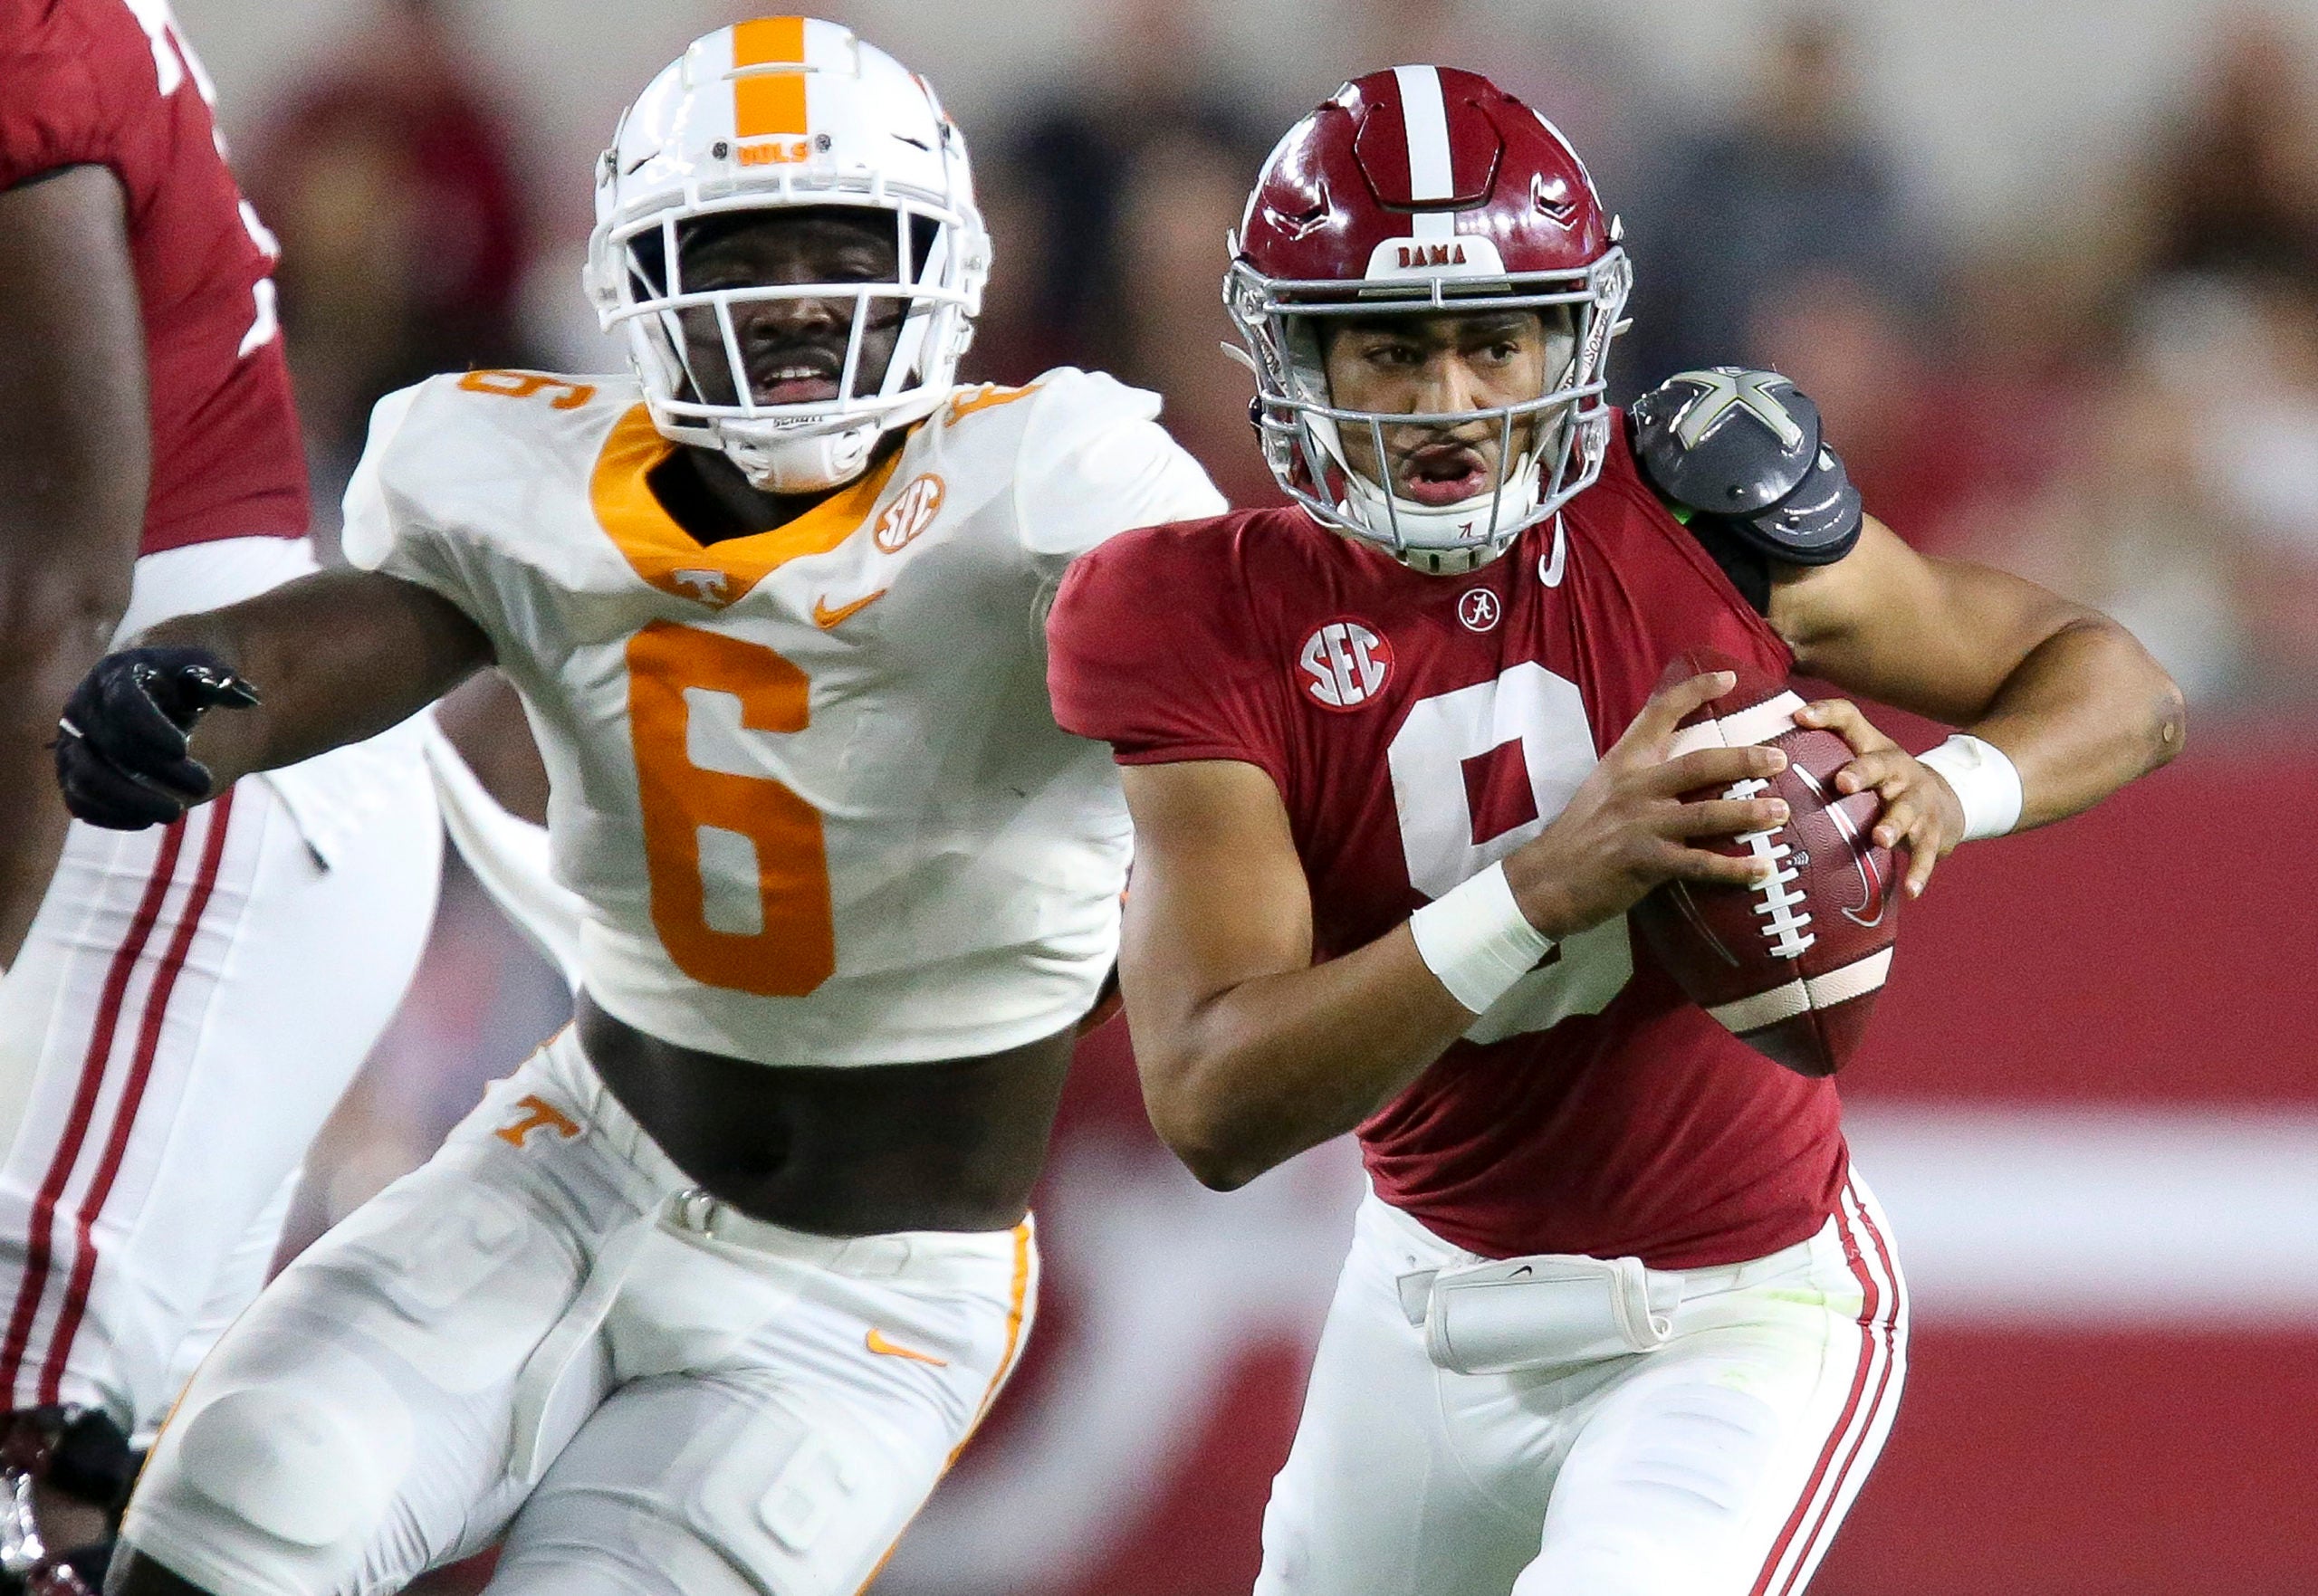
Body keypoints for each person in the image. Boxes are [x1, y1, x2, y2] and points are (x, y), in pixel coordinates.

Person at [58, 18, 1223, 1596]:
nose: (803, 296)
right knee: (250, 1490)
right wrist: (201, 674)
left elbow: (1232, 687)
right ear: (640, 284)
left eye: (845, 246)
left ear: (941, 265)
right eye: (746, 251)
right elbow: (394, 622)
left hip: (869, 1286)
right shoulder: (515, 472)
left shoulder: (1055, 485)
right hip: (579, 1155)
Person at [1046, 66, 2184, 1596]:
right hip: (1422, 1309)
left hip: (1734, 1315)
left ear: (1571, 333)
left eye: (1494, 339)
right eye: (1393, 348)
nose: (1453, 401)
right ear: (1294, 353)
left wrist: (1946, 790)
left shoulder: (1697, 516)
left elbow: (2120, 684)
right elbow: (1213, 1103)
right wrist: (1540, 889)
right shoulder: (1196, 613)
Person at [0, 3, 445, 1584]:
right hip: (112, 766)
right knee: (145, 1519)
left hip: (156, 757)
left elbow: (56, 581)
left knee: (20, 1448)